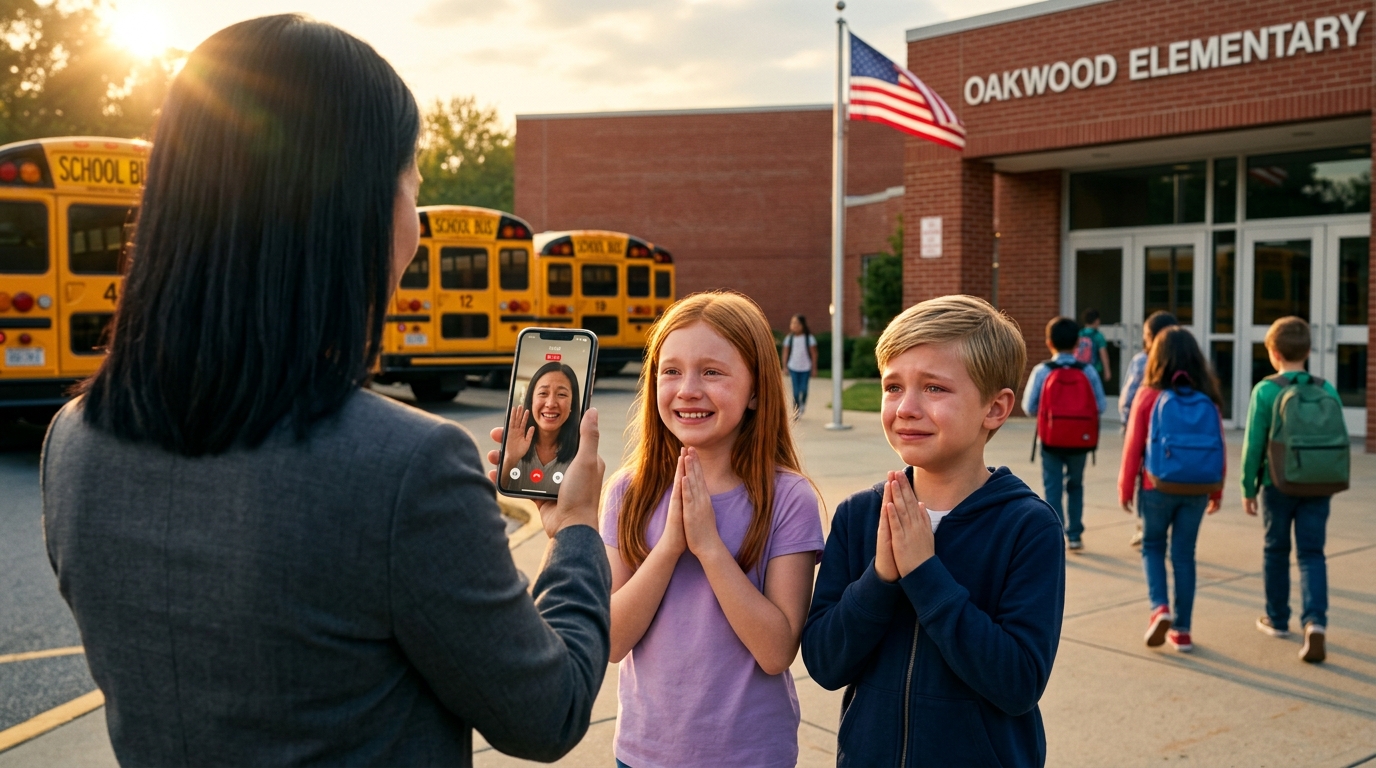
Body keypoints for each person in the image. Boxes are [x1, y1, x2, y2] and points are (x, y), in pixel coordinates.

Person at [42, 16, 610, 765]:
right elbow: (548, 712)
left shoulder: (75, 439)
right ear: (359, 211)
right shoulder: (408, 465)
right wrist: (575, 532)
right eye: (414, 183)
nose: (416, 220)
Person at [802, 295, 1065, 768]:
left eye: (934, 389)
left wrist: (924, 572)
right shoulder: (860, 516)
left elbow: (1019, 682)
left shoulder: (1028, 527)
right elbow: (824, 663)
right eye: (893, 387)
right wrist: (880, 577)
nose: (905, 408)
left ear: (995, 408)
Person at [602, 291, 824, 768]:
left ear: (757, 390)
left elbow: (776, 650)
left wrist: (708, 547)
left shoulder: (788, 498)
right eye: (671, 370)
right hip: (644, 753)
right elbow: (614, 641)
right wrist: (668, 549)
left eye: (713, 371)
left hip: (751, 754)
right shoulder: (627, 492)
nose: (687, 389)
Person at [1118, 327, 1226, 653]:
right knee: (1183, 555)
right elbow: (1217, 446)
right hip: (1197, 488)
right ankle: (1183, 631)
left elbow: (1133, 445)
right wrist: (1216, 491)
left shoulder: (1149, 394)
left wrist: (1125, 487)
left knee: (1152, 546)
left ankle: (1159, 607)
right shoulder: (1208, 396)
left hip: (1156, 485)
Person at [1242, 316, 1343, 663]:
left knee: (1276, 550)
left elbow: (1254, 445)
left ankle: (1278, 618)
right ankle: (1315, 622)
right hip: (1319, 483)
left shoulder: (1266, 390)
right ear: (1309, 350)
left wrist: (1248, 486)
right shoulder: (1326, 389)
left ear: (1273, 352)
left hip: (1278, 484)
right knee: (1312, 553)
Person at [1023, 316, 1106, 552]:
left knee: (1053, 487)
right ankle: (1076, 535)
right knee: (1076, 485)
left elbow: (1029, 407)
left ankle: (1056, 534)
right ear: (1078, 342)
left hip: (1050, 440)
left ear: (1049, 342)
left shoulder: (1042, 371)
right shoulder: (1088, 370)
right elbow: (1100, 406)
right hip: (1080, 440)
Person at [1120, 310, 1178, 547]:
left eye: (1146, 334)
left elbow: (1128, 397)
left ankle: (1145, 525)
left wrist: (1128, 422)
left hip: (1145, 429)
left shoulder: (1142, 361)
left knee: (1144, 477)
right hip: (1174, 432)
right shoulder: (1187, 360)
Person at [502, 361, 580, 493]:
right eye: (543, 393)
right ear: (531, 400)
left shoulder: (580, 453)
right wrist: (510, 459)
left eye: (561, 394)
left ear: (572, 404)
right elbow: (497, 501)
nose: (550, 404)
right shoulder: (513, 441)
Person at [781, 314, 818, 417]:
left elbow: (814, 353)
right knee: (796, 391)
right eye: (792, 323)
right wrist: (785, 367)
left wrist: (814, 368)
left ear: (802, 325)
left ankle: (802, 403)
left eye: (797, 323)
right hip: (793, 367)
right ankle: (796, 408)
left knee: (804, 389)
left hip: (805, 368)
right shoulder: (789, 338)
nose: (794, 325)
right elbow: (785, 353)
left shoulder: (809, 338)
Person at [1076, 308, 1113, 383]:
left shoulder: (1079, 334)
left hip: (1080, 369)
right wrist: (1107, 371)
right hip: (1095, 369)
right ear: (1097, 321)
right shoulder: (1098, 336)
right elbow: (1103, 354)